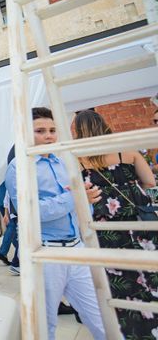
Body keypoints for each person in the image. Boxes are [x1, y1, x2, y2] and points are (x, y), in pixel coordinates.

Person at [5, 107, 105, 340]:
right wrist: (75, 197)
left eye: (52, 130)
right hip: (45, 253)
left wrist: (87, 199)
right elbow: (31, 212)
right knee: (45, 324)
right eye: (40, 131)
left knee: (100, 318)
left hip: (77, 249)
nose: (48, 136)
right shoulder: (19, 167)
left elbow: (80, 207)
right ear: (24, 133)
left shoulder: (64, 163)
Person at [75, 109, 157, 339]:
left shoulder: (78, 159)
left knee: (119, 279)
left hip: (105, 228)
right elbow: (150, 181)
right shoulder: (127, 151)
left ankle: (130, 331)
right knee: (148, 273)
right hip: (138, 224)